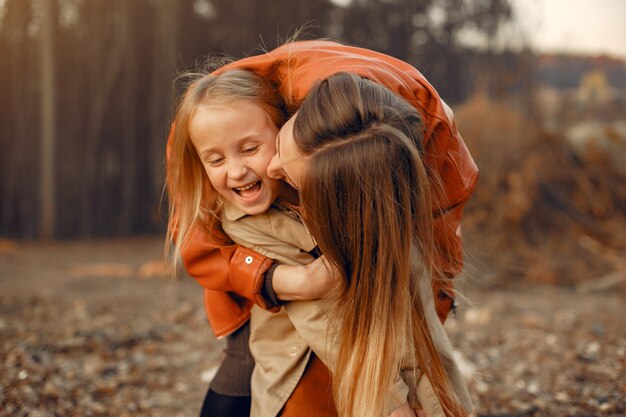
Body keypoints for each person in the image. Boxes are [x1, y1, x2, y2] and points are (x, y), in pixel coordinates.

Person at [167, 39, 479, 416]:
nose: (240, 169)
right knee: (254, 361)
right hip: (247, 283)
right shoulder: (210, 147)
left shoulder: (428, 148)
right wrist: (278, 280)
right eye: (217, 159)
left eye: (254, 151)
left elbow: (428, 269)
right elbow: (201, 248)